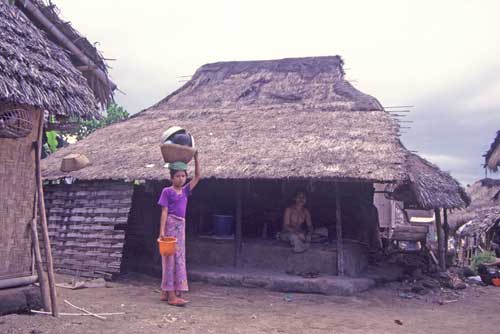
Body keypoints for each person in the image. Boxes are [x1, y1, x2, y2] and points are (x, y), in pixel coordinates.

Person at [157, 152, 200, 306]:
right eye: (177, 176)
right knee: (170, 259)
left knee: (179, 258)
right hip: (170, 226)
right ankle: (172, 295)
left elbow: (198, 176)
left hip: (181, 227)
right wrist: (162, 232)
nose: (181, 179)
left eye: (183, 176)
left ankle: (166, 291)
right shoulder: (166, 192)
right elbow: (164, 212)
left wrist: (195, 158)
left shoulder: (186, 191)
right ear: (171, 178)